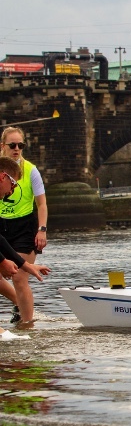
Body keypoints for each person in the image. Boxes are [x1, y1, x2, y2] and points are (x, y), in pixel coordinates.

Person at [0, 128, 51, 327]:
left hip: (24, 227)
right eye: (12, 145)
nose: (17, 149)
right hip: (2, 225)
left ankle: (27, 325)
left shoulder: (31, 170)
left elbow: (42, 204)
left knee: (20, 277)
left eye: (21, 145)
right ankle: (18, 304)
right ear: (3, 146)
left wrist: (42, 229)